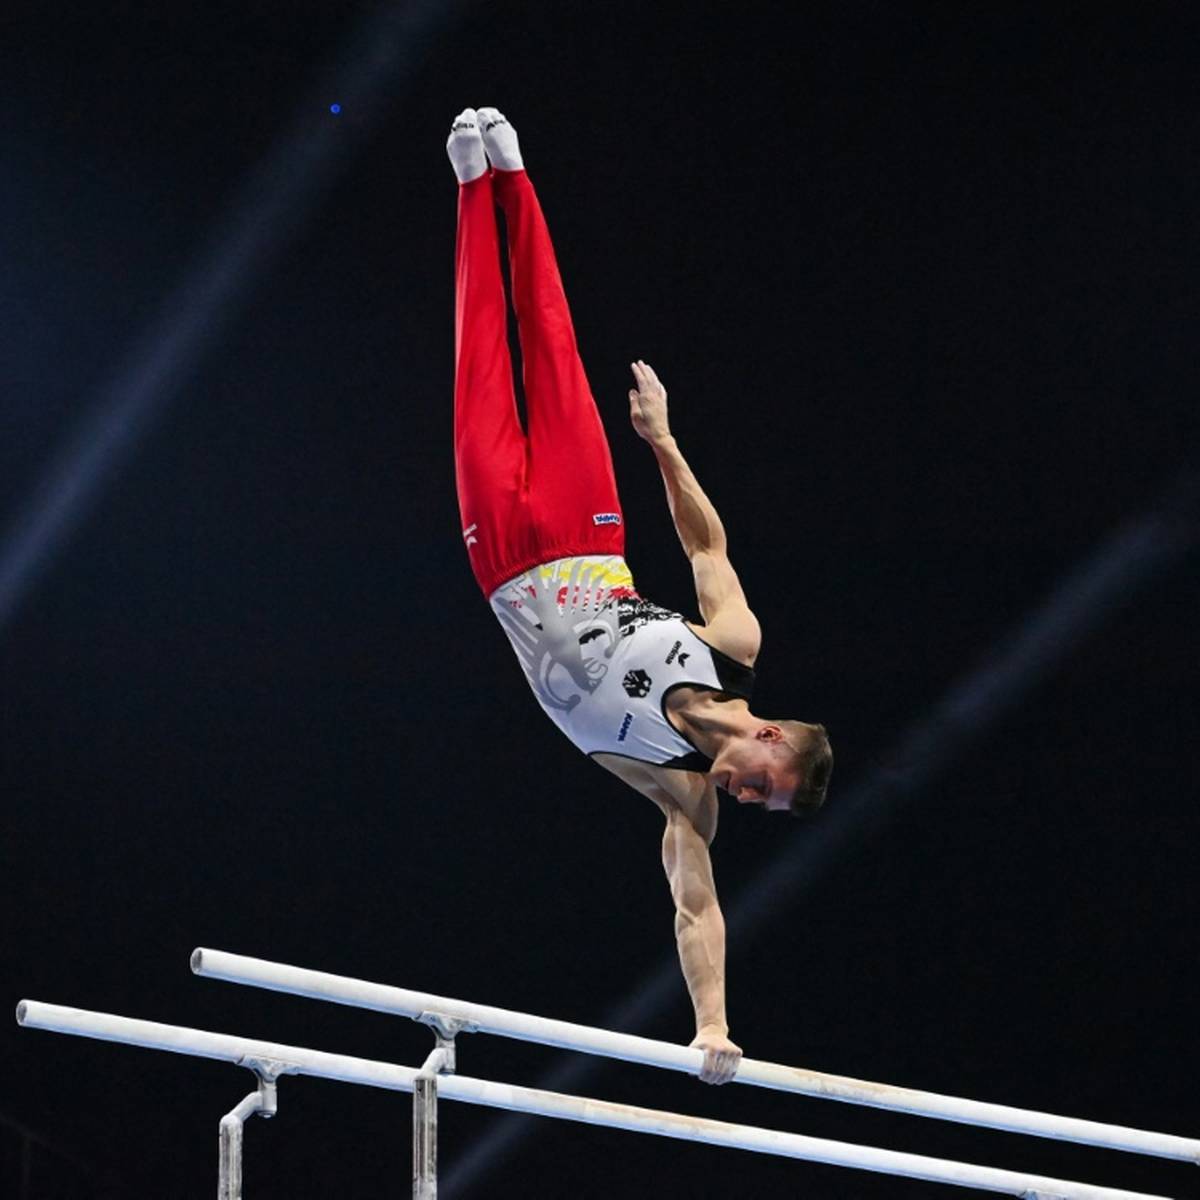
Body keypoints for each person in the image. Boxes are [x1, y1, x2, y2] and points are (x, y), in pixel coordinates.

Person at [447, 107, 833, 1085]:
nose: (745, 797)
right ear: (774, 736)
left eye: (757, 803)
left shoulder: (678, 790)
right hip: (590, 528)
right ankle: (515, 180)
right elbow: (706, 542)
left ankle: (466, 193)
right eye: (764, 786)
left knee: (484, 366)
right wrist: (662, 439)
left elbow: (696, 907)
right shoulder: (732, 643)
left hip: (505, 566)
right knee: (552, 344)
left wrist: (712, 1029)